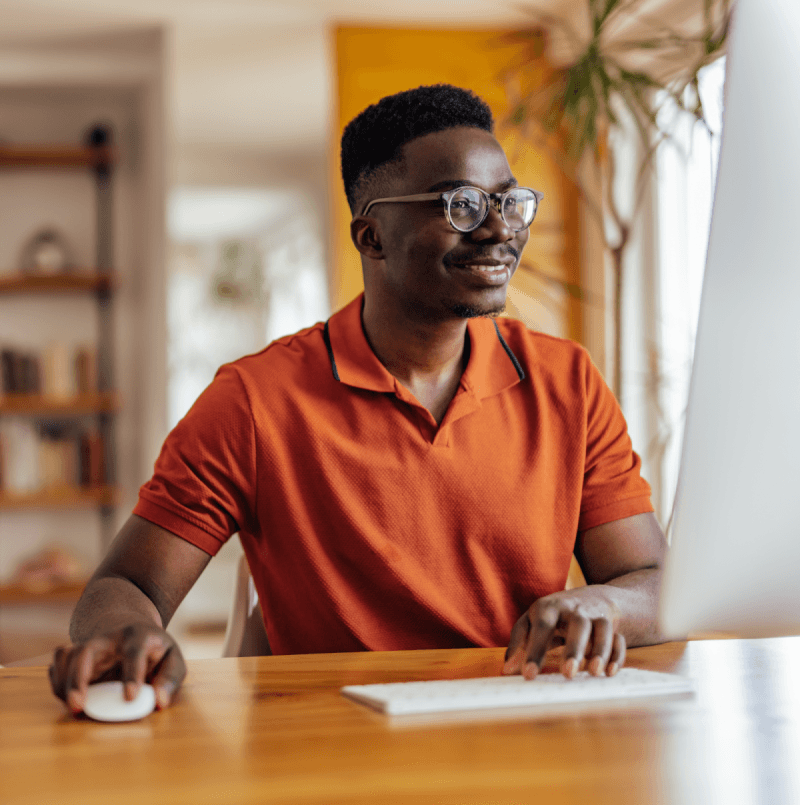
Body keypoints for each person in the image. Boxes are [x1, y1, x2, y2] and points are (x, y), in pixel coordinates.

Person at [49, 84, 666, 714]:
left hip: (520, 725)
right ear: (371, 236)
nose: (500, 229)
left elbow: (651, 581)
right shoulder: (254, 400)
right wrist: (125, 633)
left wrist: (605, 603)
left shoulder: (567, 381)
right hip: (333, 741)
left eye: (509, 202)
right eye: (461, 205)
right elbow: (128, 583)